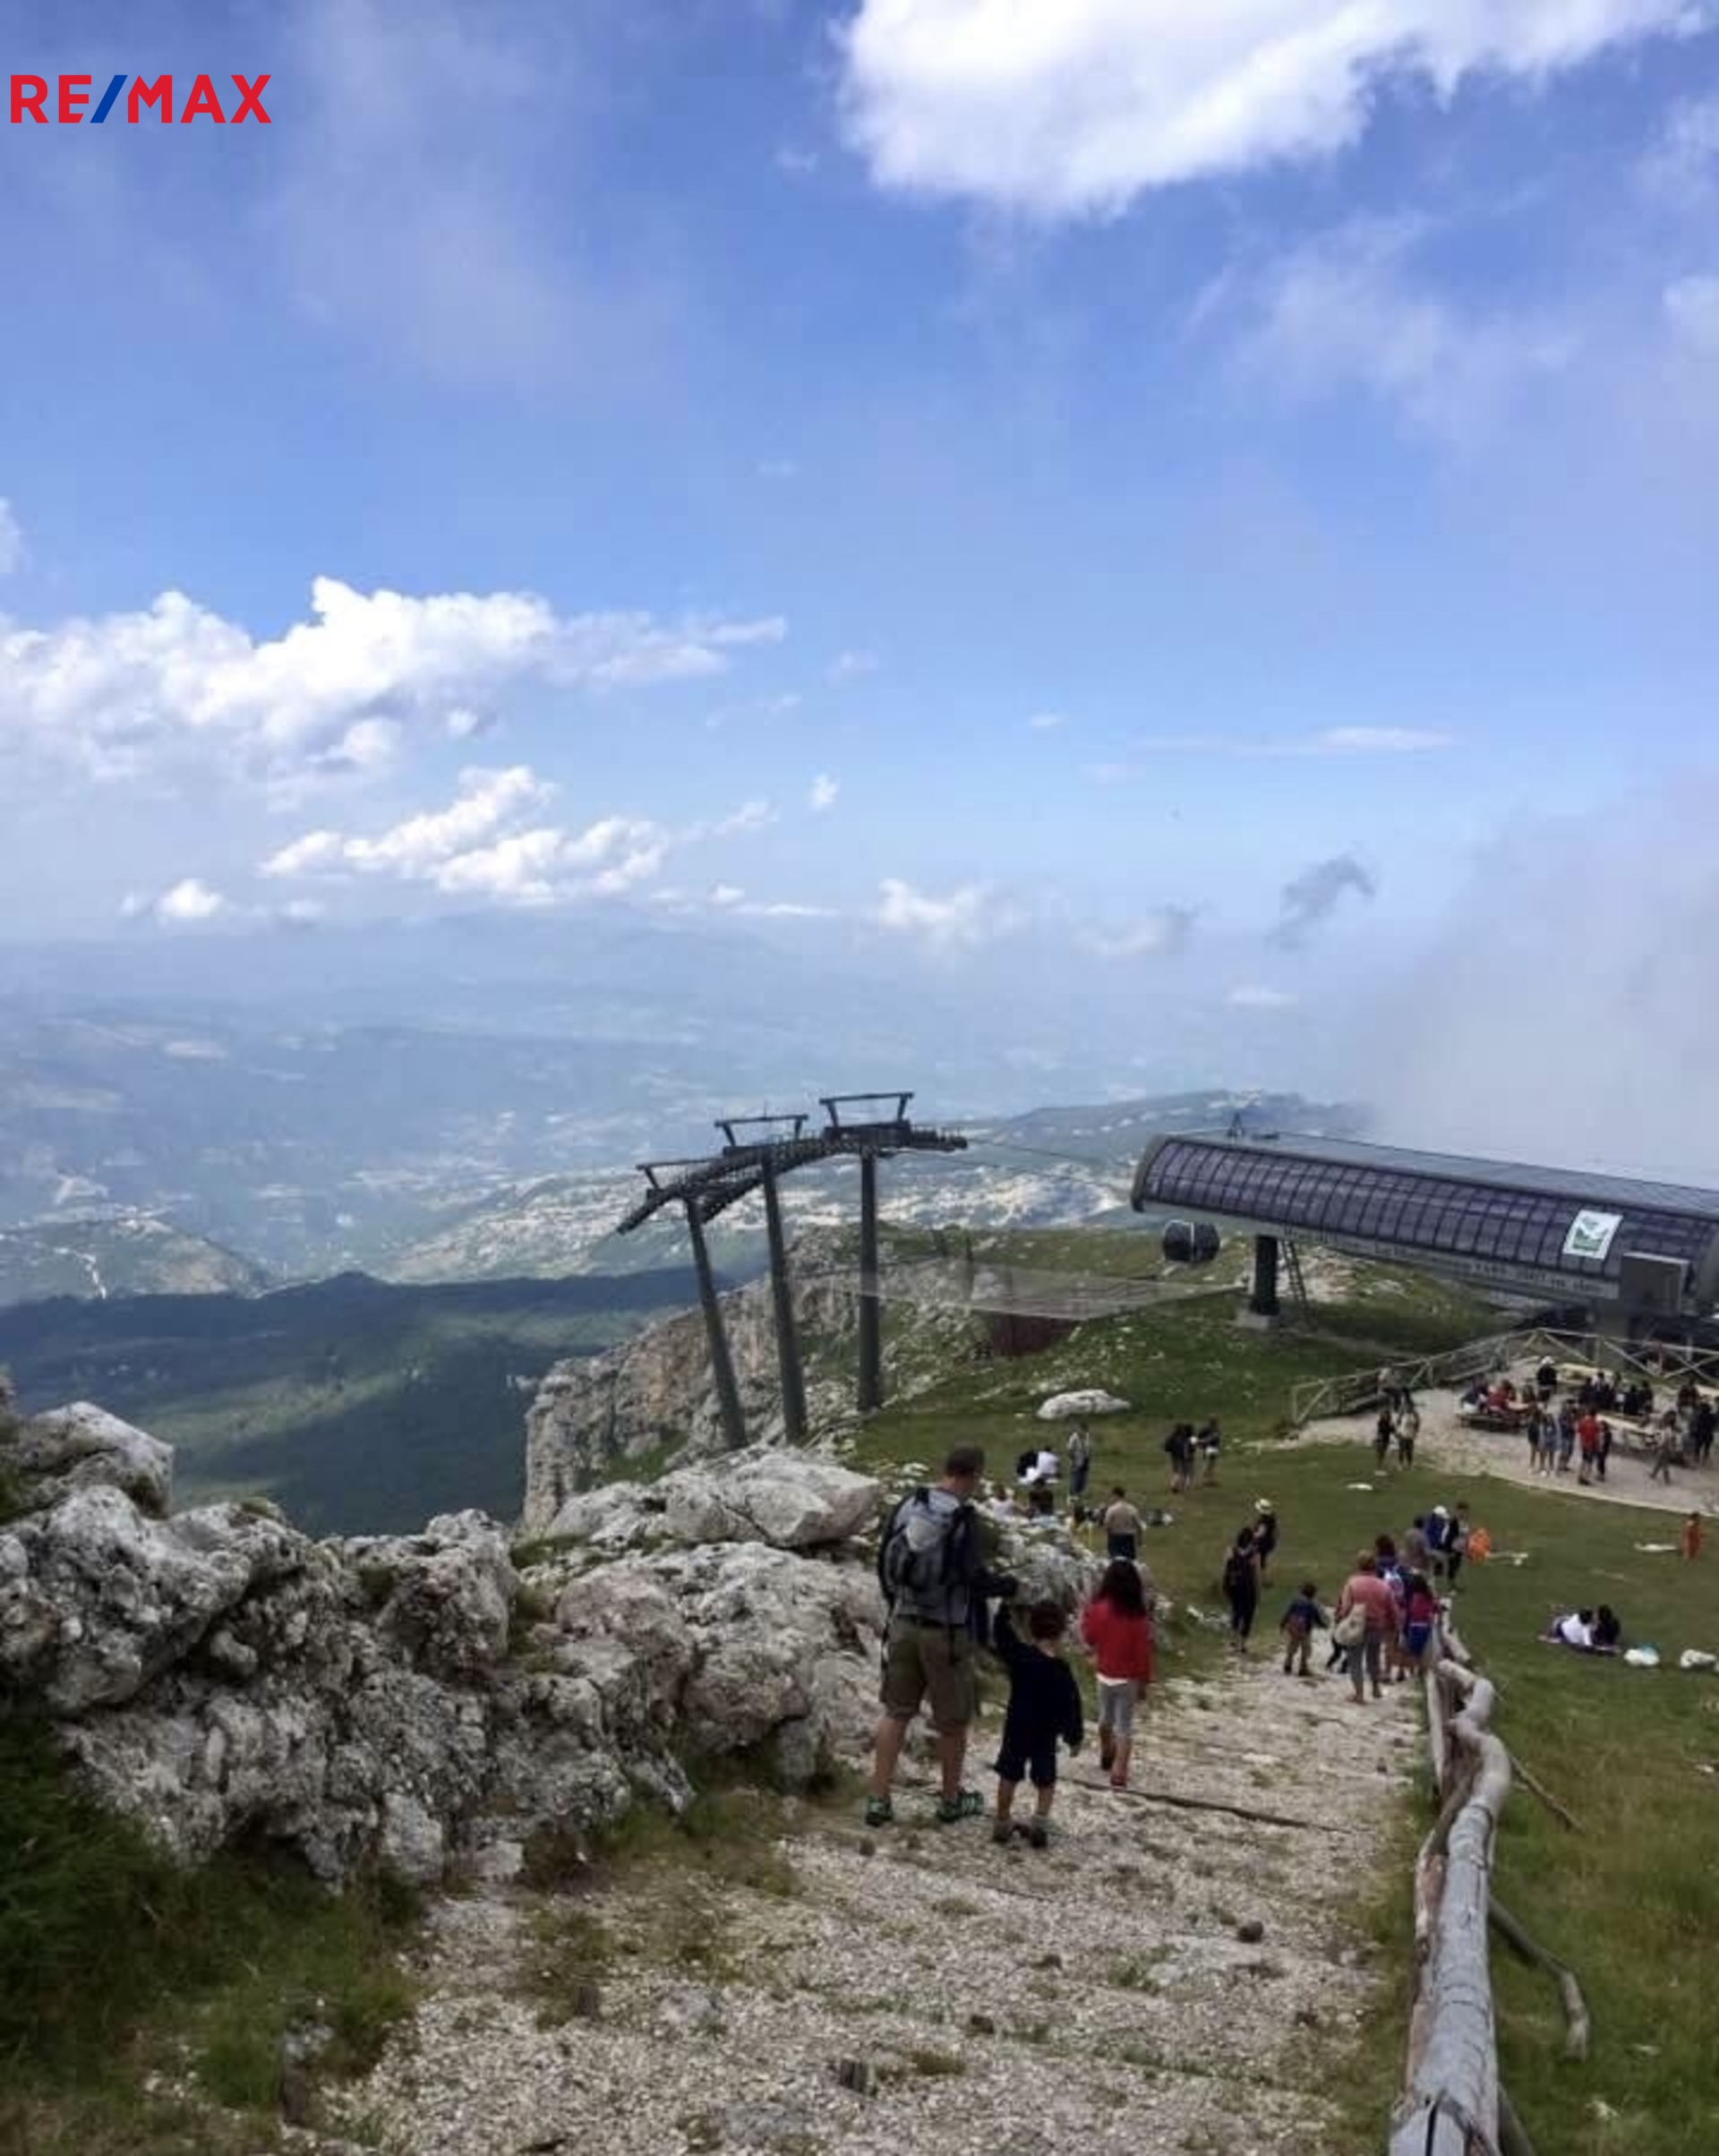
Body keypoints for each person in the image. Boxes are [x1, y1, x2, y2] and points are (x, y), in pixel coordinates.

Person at [867, 1444, 1016, 1828]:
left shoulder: (910, 1503)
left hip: (903, 1623)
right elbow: (973, 1578)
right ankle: (950, 1800)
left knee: (896, 1712)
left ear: (946, 1468)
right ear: (974, 1474)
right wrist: (1007, 1586)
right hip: (946, 1632)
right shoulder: (963, 1517)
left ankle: (878, 1799)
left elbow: (884, 1561)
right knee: (952, 1721)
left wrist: (896, 1604)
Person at [989, 1596, 1083, 1848]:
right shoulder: (1061, 1670)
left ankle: (1002, 1820)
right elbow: (1071, 1706)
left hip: (1017, 1728)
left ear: (1032, 1628)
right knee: (1046, 1778)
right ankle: (1040, 1822)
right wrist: (1074, 1737)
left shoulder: (1020, 1656)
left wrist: (1003, 1610)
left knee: (1009, 1773)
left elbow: (1002, 1637)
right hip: (1045, 1734)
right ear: (1061, 1632)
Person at [1081, 1559, 1154, 1789]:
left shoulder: (1099, 1609)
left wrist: (1086, 1612)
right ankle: (1119, 1770)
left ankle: (1107, 1751)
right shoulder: (1138, 1617)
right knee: (1124, 1725)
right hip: (1129, 1679)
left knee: (1105, 1720)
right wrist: (1144, 1682)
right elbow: (1143, 1653)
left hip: (1104, 1674)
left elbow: (1089, 1637)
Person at [1335, 1552, 1397, 1702]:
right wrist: (1393, 1625)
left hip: (1357, 1625)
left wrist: (1340, 1618)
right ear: (1374, 1565)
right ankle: (1376, 1689)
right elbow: (1392, 1609)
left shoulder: (1352, 1583)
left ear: (1359, 1564)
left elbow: (1346, 1607)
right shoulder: (1384, 1585)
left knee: (1355, 1659)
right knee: (1374, 1659)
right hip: (1377, 1626)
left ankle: (1359, 1694)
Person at [1222, 1526, 1261, 1654]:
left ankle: (1233, 1641)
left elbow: (1225, 1569)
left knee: (1236, 1613)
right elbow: (1256, 1575)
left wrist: (1225, 1586)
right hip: (1249, 1589)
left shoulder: (1230, 1550)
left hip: (1234, 1588)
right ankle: (1243, 1645)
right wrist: (1258, 1592)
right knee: (1248, 1616)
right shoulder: (1255, 1553)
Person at [1279, 1580, 1326, 1678]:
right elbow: (1316, 1617)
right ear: (1312, 1594)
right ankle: (1303, 1668)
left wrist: (1282, 1624)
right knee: (1305, 1649)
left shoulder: (1295, 1601)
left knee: (1292, 1647)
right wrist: (1323, 1625)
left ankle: (1288, 1664)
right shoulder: (1311, 1604)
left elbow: (1288, 1613)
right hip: (1305, 1631)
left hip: (1293, 1629)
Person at [1401, 1571, 1439, 1675]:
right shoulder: (1428, 1595)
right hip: (1425, 1625)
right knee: (1422, 1651)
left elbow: (1410, 1610)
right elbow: (1435, 1607)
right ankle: (1420, 1671)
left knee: (1412, 1651)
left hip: (1414, 1625)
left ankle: (1414, 1672)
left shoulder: (1414, 1596)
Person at [1102, 1486, 1144, 1564]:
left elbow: (1106, 1525)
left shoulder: (1112, 1509)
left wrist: (1109, 1537)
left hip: (1115, 1538)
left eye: (1111, 1496)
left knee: (1115, 1562)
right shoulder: (1132, 1508)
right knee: (1129, 1561)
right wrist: (1140, 1540)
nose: (1111, 1499)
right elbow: (1139, 1526)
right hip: (1129, 1538)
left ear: (1116, 1495)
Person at [1253, 1497, 1279, 1584]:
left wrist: (1252, 1535)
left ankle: (1263, 1580)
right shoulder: (1272, 1516)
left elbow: (1261, 1533)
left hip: (1262, 1543)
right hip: (1269, 1541)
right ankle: (1265, 1579)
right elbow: (1276, 1529)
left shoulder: (1263, 1520)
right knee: (1263, 1561)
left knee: (1260, 1562)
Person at [1447, 1502, 1473, 1588]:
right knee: (1452, 1567)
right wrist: (1449, 1550)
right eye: (1463, 1511)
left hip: (1460, 1548)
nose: (1465, 1513)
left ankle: (1453, 1585)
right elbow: (1449, 1536)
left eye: (1466, 1511)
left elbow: (1467, 1536)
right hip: (1454, 1547)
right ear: (1458, 1511)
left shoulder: (1465, 1521)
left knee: (1457, 1566)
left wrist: (1467, 1548)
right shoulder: (1454, 1522)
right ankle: (1452, 1586)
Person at [1067, 1422, 1092, 1502]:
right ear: (1079, 1429)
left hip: (1085, 1460)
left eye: (1086, 1430)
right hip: (1076, 1460)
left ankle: (1079, 1493)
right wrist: (1074, 1460)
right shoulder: (1073, 1438)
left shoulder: (1087, 1436)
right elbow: (1069, 1450)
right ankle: (1072, 1495)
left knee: (1083, 1478)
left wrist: (1088, 1458)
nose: (1085, 1432)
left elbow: (1088, 1448)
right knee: (1075, 1478)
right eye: (1083, 1430)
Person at [1197, 1418, 1222, 1484]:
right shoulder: (1209, 1429)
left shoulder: (1214, 1429)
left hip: (1213, 1448)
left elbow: (1199, 1436)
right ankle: (1203, 1480)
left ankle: (1209, 1480)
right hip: (1210, 1448)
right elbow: (1200, 1437)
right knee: (1208, 1464)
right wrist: (1204, 1442)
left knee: (1211, 1464)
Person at [1396, 1402, 1420, 1469]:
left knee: (1409, 1451)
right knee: (1402, 1450)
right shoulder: (1402, 1414)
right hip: (1402, 1434)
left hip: (1410, 1435)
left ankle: (1410, 1464)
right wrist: (1398, 1432)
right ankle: (1400, 1465)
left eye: (1410, 1407)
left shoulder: (1414, 1415)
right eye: (1407, 1407)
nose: (1408, 1408)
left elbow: (1417, 1424)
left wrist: (1415, 1433)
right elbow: (1398, 1423)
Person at [1373, 1405, 1394, 1469]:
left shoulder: (1389, 1422)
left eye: (1386, 1415)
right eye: (1384, 1414)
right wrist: (1377, 1438)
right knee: (1380, 1452)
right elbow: (1380, 1430)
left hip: (1386, 1439)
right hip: (1381, 1438)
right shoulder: (1381, 1422)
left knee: (1383, 1452)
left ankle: (1380, 1464)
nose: (1385, 1416)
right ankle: (1379, 1464)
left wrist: (1392, 1426)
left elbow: (1392, 1431)